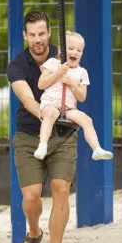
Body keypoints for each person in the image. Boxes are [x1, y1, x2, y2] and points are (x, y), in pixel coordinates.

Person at [6, 10, 76, 243]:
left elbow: (80, 81)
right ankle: (34, 232)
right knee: (31, 196)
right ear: (25, 35)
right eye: (32, 35)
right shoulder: (17, 65)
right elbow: (27, 99)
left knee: (61, 190)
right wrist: (47, 113)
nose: (38, 39)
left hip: (63, 135)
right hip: (28, 137)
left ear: (49, 33)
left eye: (42, 34)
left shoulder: (62, 55)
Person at [34, 30, 113, 162]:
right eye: (71, 48)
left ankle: (97, 149)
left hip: (69, 108)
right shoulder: (53, 63)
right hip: (51, 103)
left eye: (79, 50)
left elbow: (82, 97)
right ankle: (42, 145)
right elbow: (41, 84)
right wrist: (57, 73)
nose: (75, 52)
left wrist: (71, 84)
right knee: (50, 114)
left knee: (87, 120)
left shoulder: (82, 72)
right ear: (61, 51)